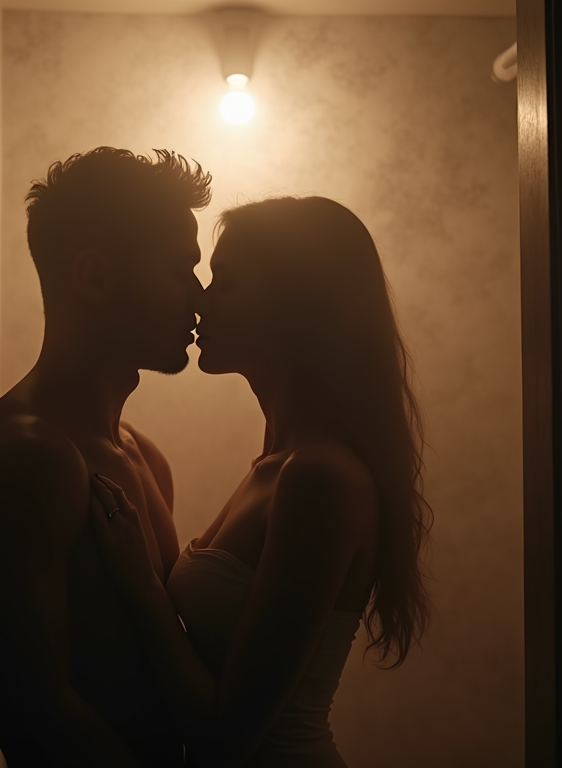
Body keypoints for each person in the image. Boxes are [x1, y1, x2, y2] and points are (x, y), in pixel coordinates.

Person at [90, 196, 432, 768]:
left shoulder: (321, 478)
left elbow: (227, 738)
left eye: (225, 282)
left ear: (295, 308)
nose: (199, 299)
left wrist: (143, 590)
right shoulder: (277, 465)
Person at [0, 147, 211, 767]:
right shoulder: (30, 457)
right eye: (179, 270)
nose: (199, 300)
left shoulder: (142, 454)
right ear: (96, 278)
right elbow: (43, 716)